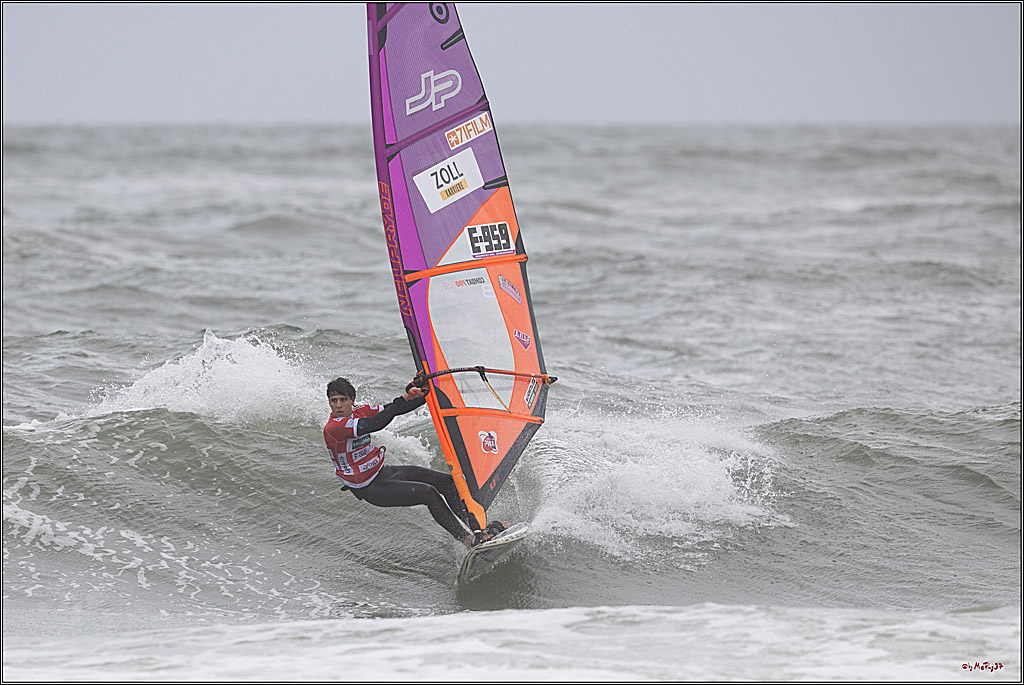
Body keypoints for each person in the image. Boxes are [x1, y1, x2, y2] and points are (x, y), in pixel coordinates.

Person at [322, 375, 504, 549]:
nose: (338, 405)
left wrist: (427, 394)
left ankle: (478, 529)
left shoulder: (359, 411)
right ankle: (467, 540)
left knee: (447, 482)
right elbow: (375, 424)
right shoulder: (334, 427)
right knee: (428, 493)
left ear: (352, 400)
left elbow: (393, 409)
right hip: (369, 487)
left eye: (343, 400)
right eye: (333, 400)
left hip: (383, 472)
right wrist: (401, 400)